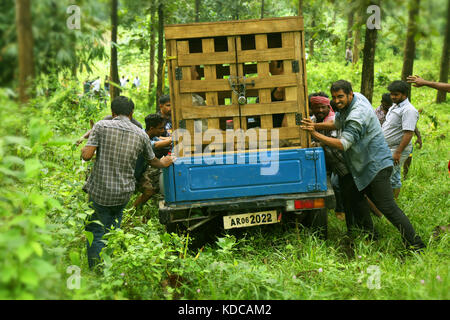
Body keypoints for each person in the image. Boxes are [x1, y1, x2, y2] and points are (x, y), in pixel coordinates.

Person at [300, 80, 425, 251]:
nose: (337, 101)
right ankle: (368, 234)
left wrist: (314, 133)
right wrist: (314, 124)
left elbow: (343, 144)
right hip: (359, 164)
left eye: (341, 97)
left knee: (387, 206)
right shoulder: (356, 99)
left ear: (350, 94)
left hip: (376, 165)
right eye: (335, 97)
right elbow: (336, 123)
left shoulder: (356, 115)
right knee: (352, 194)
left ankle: (416, 243)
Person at [81, 96, 175, 269]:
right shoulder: (141, 134)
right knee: (113, 230)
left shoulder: (101, 126)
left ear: (112, 112)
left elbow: (87, 156)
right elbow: (154, 161)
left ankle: (97, 269)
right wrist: (165, 162)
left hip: (100, 191)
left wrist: (84, 149)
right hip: (123, 193)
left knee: (96, 230)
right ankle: (111, 267)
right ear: (131, 114)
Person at [308, 92, 346, 221]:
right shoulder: (312, 120)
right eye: (316, 107)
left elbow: (332, 143)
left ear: (328, 107)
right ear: (311, 108)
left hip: (338, 158)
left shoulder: (332, 120)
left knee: (336, 183)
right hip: (323, 159)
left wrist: (315, 143)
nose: (320, 110)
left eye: (323, 107)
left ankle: (340, 210)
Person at [383, 80, 420, 198]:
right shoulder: (395, 105)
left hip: (397, 149)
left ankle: (386, 205)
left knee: (385, 176)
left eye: (396, 94)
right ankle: (393, 201)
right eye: (391, 94)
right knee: (394, 177)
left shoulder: (409, 110)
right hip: (388, 147)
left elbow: (409, 133)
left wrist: (398, 152)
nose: (392, 97)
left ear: (404, 94)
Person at [376, 92, 422, 180]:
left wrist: (418, 137)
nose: (390, 106)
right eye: (387, 105)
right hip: (386, 146)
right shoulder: (378, 114)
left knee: (387, 175)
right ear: (382, 103)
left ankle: (405, 176)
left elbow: (410, 126)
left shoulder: (400, 109)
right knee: (390, 176)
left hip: (401, 144)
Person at [133, 113, 173, 209]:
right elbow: (157, 144)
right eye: (160, 128)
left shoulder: (151, 135)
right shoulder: (142, 137)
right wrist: (174, 139)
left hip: (141, 171)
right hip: (130, 173)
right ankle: (132, 212)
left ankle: (134, 209)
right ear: (151, 129)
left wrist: (171, 138)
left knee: (149, 191)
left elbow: (160, 139)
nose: (163, 130)